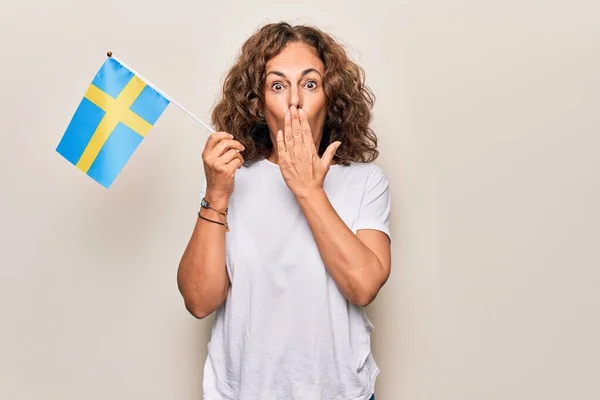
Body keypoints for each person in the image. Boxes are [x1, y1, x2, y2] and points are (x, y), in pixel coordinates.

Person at [177, 21, 391, 400]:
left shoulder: (365, 181)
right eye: (278, 85)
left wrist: (308, 190)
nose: (294, 100)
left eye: (309, 84)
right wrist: (216, 194)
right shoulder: (230, 180)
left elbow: (363, 286)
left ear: (331, 95)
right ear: (258, 104)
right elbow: (199, 300)